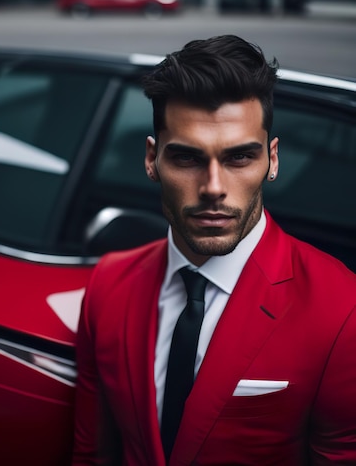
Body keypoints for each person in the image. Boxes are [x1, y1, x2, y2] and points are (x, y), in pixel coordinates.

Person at [71, 34, 356, 465]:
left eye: (240, 158)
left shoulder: (340, 308)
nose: (213, 189)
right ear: (152, 160)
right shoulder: (110, 282)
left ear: (272, 160)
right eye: (186, 158)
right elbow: (92, 454)